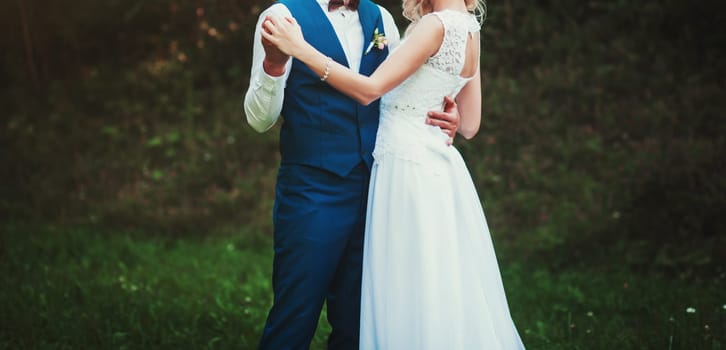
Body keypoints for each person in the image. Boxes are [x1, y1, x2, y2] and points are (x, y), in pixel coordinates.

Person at [262, 0, 526, 348]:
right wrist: (450, 113)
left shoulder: (435, 26)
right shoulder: (470, 29)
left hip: (405, 165)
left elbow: (369, 91)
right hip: (433, 165)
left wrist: (301, 49)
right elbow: (472, 124)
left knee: (404, 279)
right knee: (429, 279)